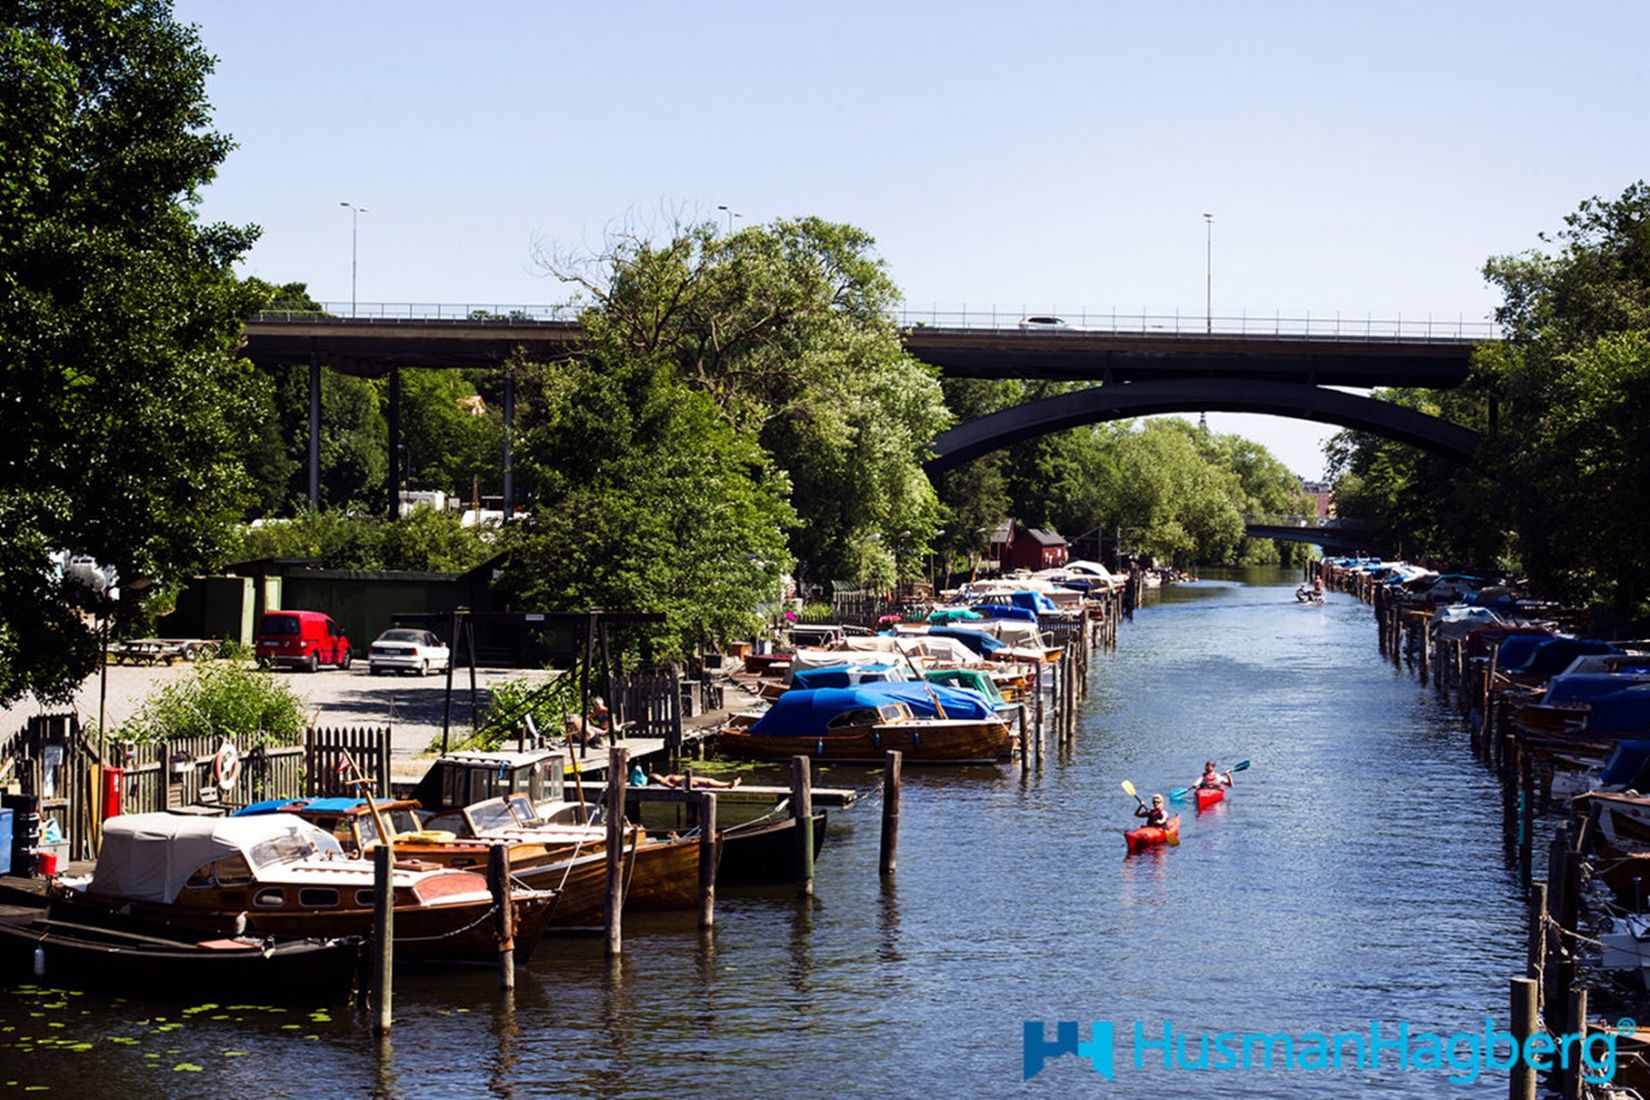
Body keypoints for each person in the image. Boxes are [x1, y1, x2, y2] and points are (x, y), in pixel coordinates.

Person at [647, 772, 740, 790]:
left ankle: (728, 784)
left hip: (687, 781)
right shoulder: (664, 780)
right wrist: (670, 785)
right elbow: (667, 784)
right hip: (687, 782)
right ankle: (728, 785)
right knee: (709, 782)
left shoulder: (666, 777)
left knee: (709, 781)